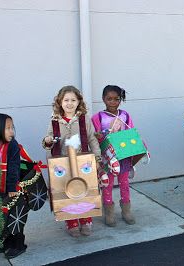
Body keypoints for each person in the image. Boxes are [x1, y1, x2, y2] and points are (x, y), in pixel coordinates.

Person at [42, 86, 101, 237]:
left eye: (73, 100)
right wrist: (48, 142)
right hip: (62, 164)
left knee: (84, 189)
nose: (69, 103)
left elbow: (92, 138)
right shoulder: (55, 121)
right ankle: (71, 221)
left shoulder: (83, 119)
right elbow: (48, 141)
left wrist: (97, 157)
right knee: (66, 191)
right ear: (60, 102)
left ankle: (86, 219)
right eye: (66, 100)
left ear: (78, 102)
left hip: (82, 162)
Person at [91, 85, 136, 226]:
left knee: (124, 183)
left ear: (120, 100)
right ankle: (109, 212)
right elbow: (94, 138)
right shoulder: (98, 117)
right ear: (103, 99)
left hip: (123, 156)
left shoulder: (125, 115)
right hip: (107, 157)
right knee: (107, 184)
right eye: (109, 99)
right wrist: (98, 136)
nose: (113, 102)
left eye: (116, 99)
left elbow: (131, 133)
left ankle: (126, 211)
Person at [0, 113, 27, 258]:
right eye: (8, 128)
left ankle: (19, 245)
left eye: (12, 128)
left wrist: (12, 188)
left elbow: (14, 167)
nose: (12, 132)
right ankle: (7, 242)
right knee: (2, 218)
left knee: (15, 217)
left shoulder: (12, 145)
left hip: (12, 191)